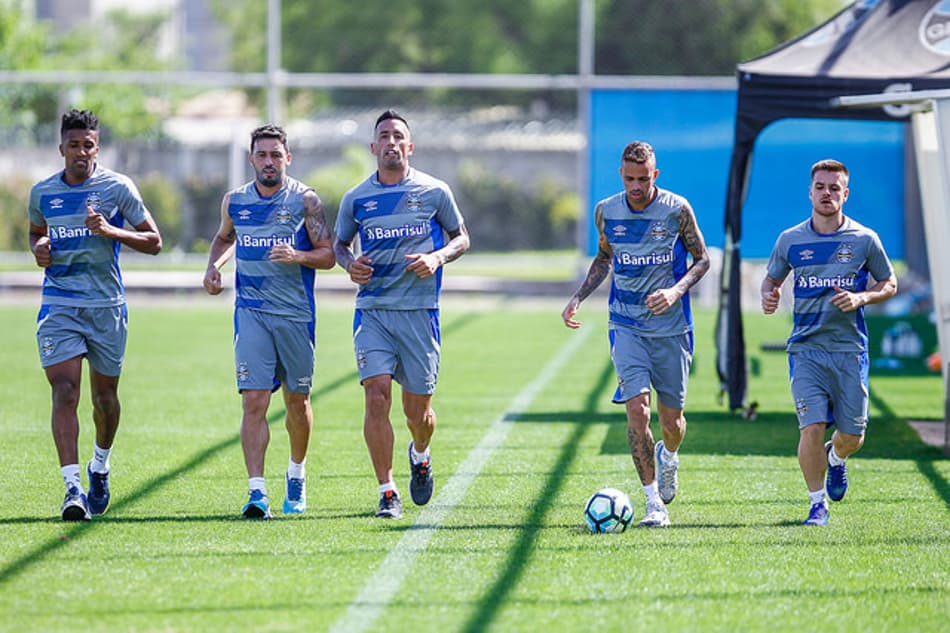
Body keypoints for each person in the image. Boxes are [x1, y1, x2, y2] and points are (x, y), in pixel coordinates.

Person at [561, 140, 710, 528]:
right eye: (629, 179)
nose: (636, 186)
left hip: (673, 327)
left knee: (672, 422)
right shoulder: (606, 211)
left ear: (655, 175)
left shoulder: (677, 210)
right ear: (621, 176)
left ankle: (669, 457)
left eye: (643, 178)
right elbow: (605, 257)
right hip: (626, 325)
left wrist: (676, 290)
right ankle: (653, 503)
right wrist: (578, 297)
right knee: (637, 411)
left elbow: (703, 259)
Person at [333, 109, 470, 520]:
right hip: (373, 312)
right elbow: (340, 244)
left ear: (409, 146)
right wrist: (348, 263)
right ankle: (387, 490)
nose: (391, 142)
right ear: (373, 147)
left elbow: (461, 237)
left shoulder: (434, 191)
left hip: (419, 313)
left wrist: (437, 257)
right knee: (376, 395)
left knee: (418, 414)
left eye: (398, 136)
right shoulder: (356, 198)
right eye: (384, 136)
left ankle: (421, 453)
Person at [28, 109, 163, 521]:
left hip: (107, 308)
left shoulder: (117, 188)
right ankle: (72, 490)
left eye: (88, 145)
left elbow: (154, 241)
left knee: (104, 400)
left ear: (97, 148)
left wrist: (111, 231)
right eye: (74, 145)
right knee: (65, 392)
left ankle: (99, 465)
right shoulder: (43, 193)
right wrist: (38, 249)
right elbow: (36, 232)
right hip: (60, 304)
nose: (81, 152)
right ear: (61, 149)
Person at [203, 124, 334, 519]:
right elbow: (226, 237)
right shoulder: (235, 200)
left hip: (296, 316)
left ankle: (296, 475)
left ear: (287, 159)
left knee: (297, 402)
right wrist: (213, 267)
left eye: (276, 155)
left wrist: (299, 256)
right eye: (262, 155)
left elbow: (328, 255)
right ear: (251, 159)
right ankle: (256, 492)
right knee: (254, 400)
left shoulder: (306, 201)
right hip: (251, 313)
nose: (269, 162)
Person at [761, 158, 896, 526]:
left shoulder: (865, 240)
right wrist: (768, 295)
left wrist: (861, 298)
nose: (826, 194)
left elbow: (890, 283)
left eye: (834, 188)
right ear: (810, 192)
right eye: (820, 187)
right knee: (811, 426)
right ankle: (817, 504)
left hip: (849, 351)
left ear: (845, 194)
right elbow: (771, 279)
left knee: (852, 436)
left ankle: (835, 458)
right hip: (805, 349)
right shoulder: (790, 240)